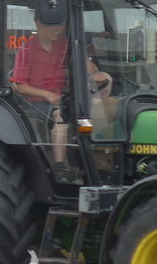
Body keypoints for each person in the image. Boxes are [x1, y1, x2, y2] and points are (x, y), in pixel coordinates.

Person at [10, 12, 111, 174]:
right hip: (37, 103)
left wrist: (93, 70)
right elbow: (20, 86)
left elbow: (90, 70)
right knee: (61, 115)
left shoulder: (66, 45)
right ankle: (60, 167)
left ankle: (102, 150)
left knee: (107, 80)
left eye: (61, 25)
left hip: (67, 98)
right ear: (39, 24)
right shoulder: (26, 50)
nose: (59, 29)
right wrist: (48, 95)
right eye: (54, 25)